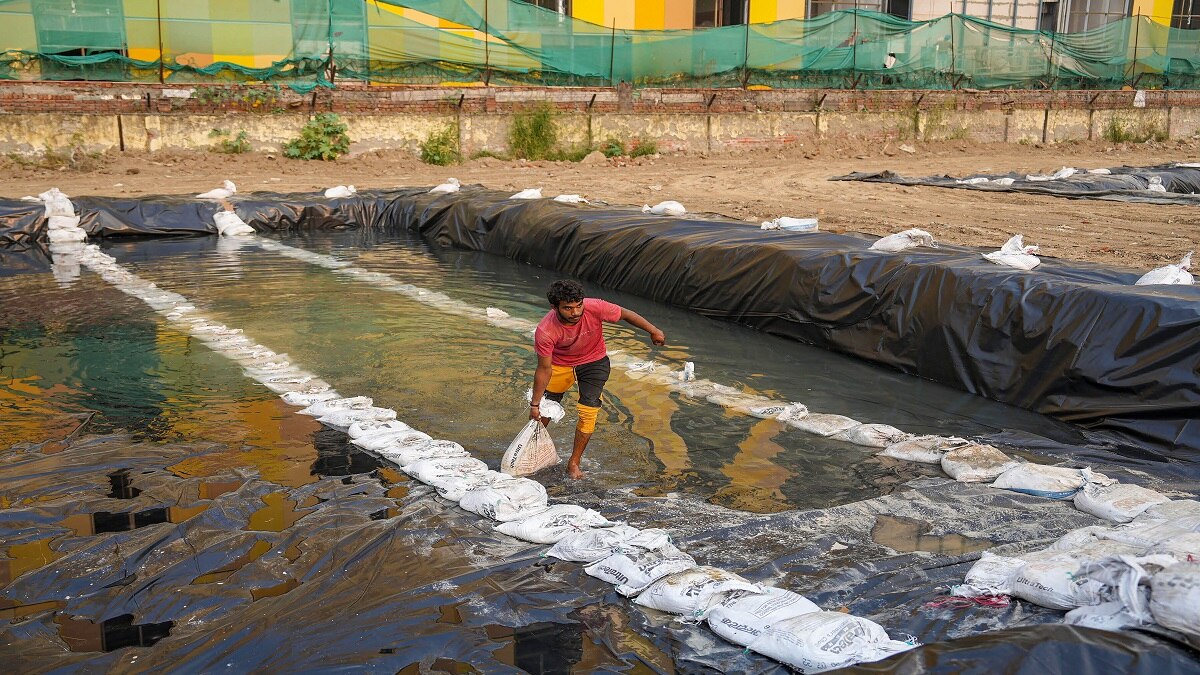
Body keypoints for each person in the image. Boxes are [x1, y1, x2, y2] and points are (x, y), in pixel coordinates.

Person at [530, 280, 665, 480]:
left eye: (579, 305)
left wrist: (653, 330)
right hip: (561, 365)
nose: (575, 312)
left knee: (589, 411)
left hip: (594, 362)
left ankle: (573, 463)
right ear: (554, 307)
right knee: (544, 409)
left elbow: (626, 314)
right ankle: (531, 449)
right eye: (568, 308)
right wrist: (535, 404)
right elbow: (544, 369)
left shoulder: (595, 307)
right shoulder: (546, 330)